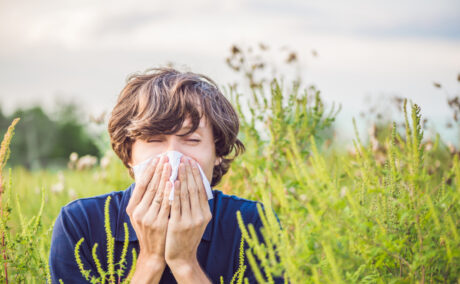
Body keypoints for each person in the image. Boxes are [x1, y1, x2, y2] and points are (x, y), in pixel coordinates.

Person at [49, 67, 283, 283]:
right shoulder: (81, 224)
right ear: (129, 153)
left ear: (218, 152)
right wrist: (151, 260)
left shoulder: (253, 224)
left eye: (191, 140)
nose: (173, 157)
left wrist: (185, 264)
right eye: (154, 140)